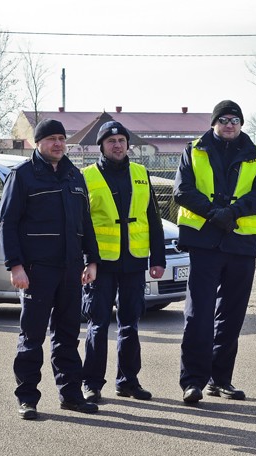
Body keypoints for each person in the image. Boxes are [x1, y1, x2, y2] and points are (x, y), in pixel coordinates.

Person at [0, 118, 102, 420]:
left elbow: (85, 223)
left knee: (68, 335)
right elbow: (7, 223)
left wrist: (91, 260)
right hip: (36, 271)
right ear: (38, 142)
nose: (58, 143)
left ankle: (70, 395)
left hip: (70, 270)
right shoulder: (23, 175)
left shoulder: (74, 176)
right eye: (51, 138)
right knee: (32, 337)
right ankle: (27, 398)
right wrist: (15, 266)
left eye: (61, 138)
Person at [173, 100, 256, 404]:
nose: (230, 124)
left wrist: (233, 212)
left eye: (235, 120)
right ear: (214, 123)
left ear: (241, 124)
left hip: (241, 244)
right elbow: (182, 190)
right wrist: (214, 213)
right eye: (224, 119)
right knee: (198, 314)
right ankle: (193, 381)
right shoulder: (194, 150)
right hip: (205, 243)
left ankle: (221, 380)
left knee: (231, 316)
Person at [80, 121, 167, 403]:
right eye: (110, 141)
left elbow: (152, 218)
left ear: (127, 144)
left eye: (121, 140)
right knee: (98, 323)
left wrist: (158, 257)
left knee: (131, 323)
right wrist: (87, 260)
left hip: (134, 262)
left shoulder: (141, 173)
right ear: (101, 146)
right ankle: (91, 383)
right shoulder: (88, 176)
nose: (117, 145)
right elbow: (82, 224)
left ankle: (128, 381)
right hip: (102, 263)